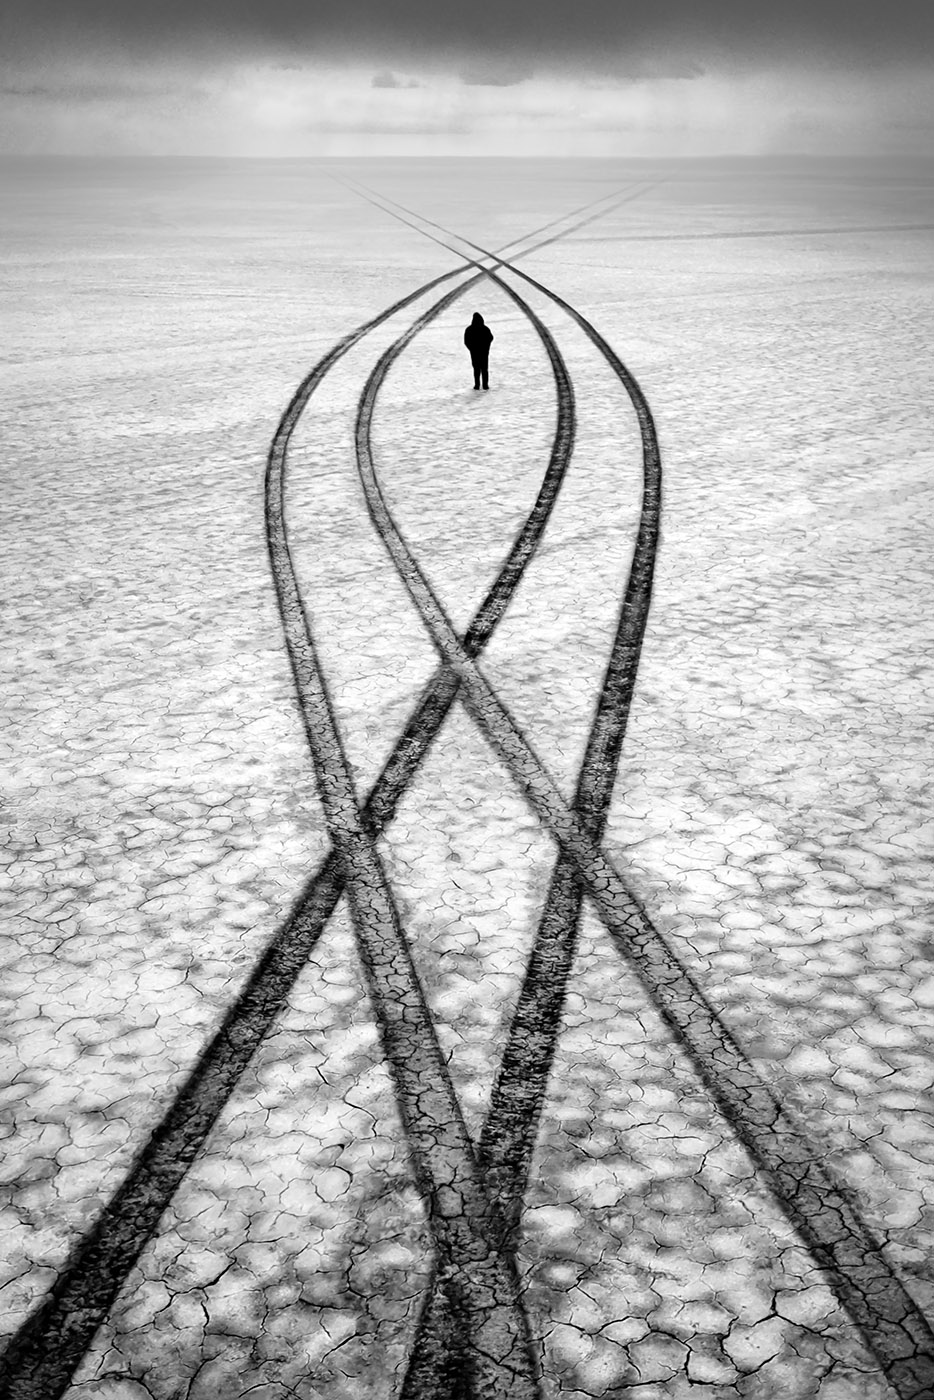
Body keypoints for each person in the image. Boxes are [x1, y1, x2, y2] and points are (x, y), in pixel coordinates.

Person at [464, 311, 493, 390]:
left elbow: (466, 341)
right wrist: (486, 347)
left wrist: (472, 349)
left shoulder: (469, 329)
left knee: (476, 369)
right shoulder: (485, 329)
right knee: (484, 369)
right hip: (484, 352)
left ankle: (477, 385)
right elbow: (490, 338)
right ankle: (485, 385)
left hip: (474, 353)